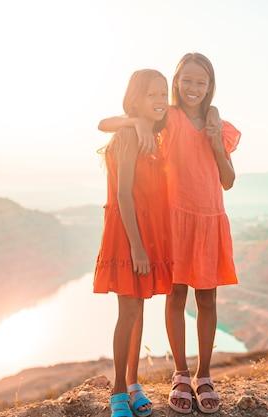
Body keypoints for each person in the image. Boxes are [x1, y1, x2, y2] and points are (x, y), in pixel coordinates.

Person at [98, 53, 240, 414]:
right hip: (173, 221)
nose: (193, 88)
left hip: (208, 218)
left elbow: (228, 180)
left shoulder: (217, 125)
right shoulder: (169, 118)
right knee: (175, 298)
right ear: (177, 83)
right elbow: (107, 124)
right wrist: (137, 123)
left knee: (207, 300)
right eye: (186, 81)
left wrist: (215, 141)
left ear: (210, 87)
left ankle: (204, 374)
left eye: (201, 82)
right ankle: (180, 373)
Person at [94, 69, 172, 417]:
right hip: (128, 232)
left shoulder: (154, 131)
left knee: (138, 306)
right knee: (127, 311)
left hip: (147, 230)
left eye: (163, 94)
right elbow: (124, 195)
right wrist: (138, 247)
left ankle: (134, 382)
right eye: (152, 94)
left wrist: (139, 122)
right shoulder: (128, 136)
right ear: (136, 98)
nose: (160, 100)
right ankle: (117, 394)